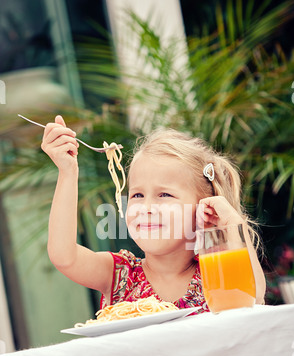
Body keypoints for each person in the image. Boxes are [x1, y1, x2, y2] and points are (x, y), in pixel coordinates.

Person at [41, 116, 266, 313]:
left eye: (165, 195)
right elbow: (64, 256)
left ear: (203, 207)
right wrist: (68, 171)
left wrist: (232, 226)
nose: (146, 207)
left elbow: (253, 298)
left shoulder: (218, 273)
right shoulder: (118, 275)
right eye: (137, 195)